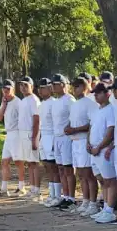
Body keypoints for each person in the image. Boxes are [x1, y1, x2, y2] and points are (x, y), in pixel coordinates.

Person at [89, 82, 117, 224]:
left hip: (103, 150)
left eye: (98, 93)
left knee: (110, 180)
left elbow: (110, 132)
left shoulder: (111, 110)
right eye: (95, 93)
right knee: (101, 179)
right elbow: (91, 127)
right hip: (94, 149)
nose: (96, 96)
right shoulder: (97, 110)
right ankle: (105, 208)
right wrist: (88, 143)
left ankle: (110, 210)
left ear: (107, 94)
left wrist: (100, 147)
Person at [67, 76, 98, 215]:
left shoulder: (90, 103)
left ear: (85, 87)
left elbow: (92, 123)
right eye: (73, 86)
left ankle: (93, 203)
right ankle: (85, 201)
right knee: (80, 174)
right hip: (75, 142)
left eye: (77, 86)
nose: (75, 89)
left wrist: (75, 130)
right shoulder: (74, 104)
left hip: (84, 140)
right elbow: (72, 121)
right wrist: (68, 128)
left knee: (88, 174)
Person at [48, 75, 75, 210]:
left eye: (55, 84)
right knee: (60, 169)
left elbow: (74, 118)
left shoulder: (69, 100)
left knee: (68, 168)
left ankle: (71, 198)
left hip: (66, 138)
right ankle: (65, 196)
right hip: (57, 137)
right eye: (52, 84)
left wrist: (69, 128)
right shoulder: (55, 101)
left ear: (63, 85)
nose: (53, 86)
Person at [0, 79, 24, 197]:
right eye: (4, 88)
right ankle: (4, 188)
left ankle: (21, 187)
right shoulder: (5, 101)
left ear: (13, 89)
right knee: (4, 161)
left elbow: (23, 119)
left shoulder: (18, 102)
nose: (5, 90)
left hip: (16, 133)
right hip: (9, 134)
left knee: (18, 161)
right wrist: (4, 104)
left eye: (8, 88)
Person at [14, 77, 42, 197]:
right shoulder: (23, 100)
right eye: (21, 85)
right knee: (29, 163)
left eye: (26, 85)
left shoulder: (34, 100)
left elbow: (37, 120)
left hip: (31, 134)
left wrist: (34, 138)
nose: (23, 88)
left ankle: (37, 189)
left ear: (32, 86)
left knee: (34, 162)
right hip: (23, 134)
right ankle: (32, 188)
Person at [36, 78, 61, 206]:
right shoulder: (41, 104)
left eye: (43, 88)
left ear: (50, 88)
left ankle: (58, 195)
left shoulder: (54, 103)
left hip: (51, 136)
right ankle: (52, 194)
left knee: (53, 167)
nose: (40, 90)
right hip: (43, 136)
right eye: (39, 88)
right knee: (47, 166)